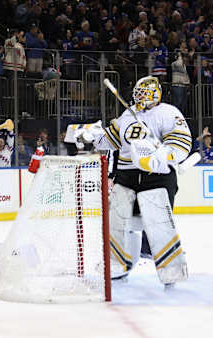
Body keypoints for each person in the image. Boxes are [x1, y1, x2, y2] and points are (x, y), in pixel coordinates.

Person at [79, 76, 191, 288]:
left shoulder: (168, 112)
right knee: (120, 222)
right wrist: (94, 135)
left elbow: (182, 141)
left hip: (156, 177)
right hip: (126, 176)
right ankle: (118, 265)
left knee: (158, 223)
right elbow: (109, 141)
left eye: (143, 93)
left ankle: (172, 270)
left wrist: (163, 154)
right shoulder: (127, 116)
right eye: (137, 93)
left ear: (154, 93)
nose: (138, 97)